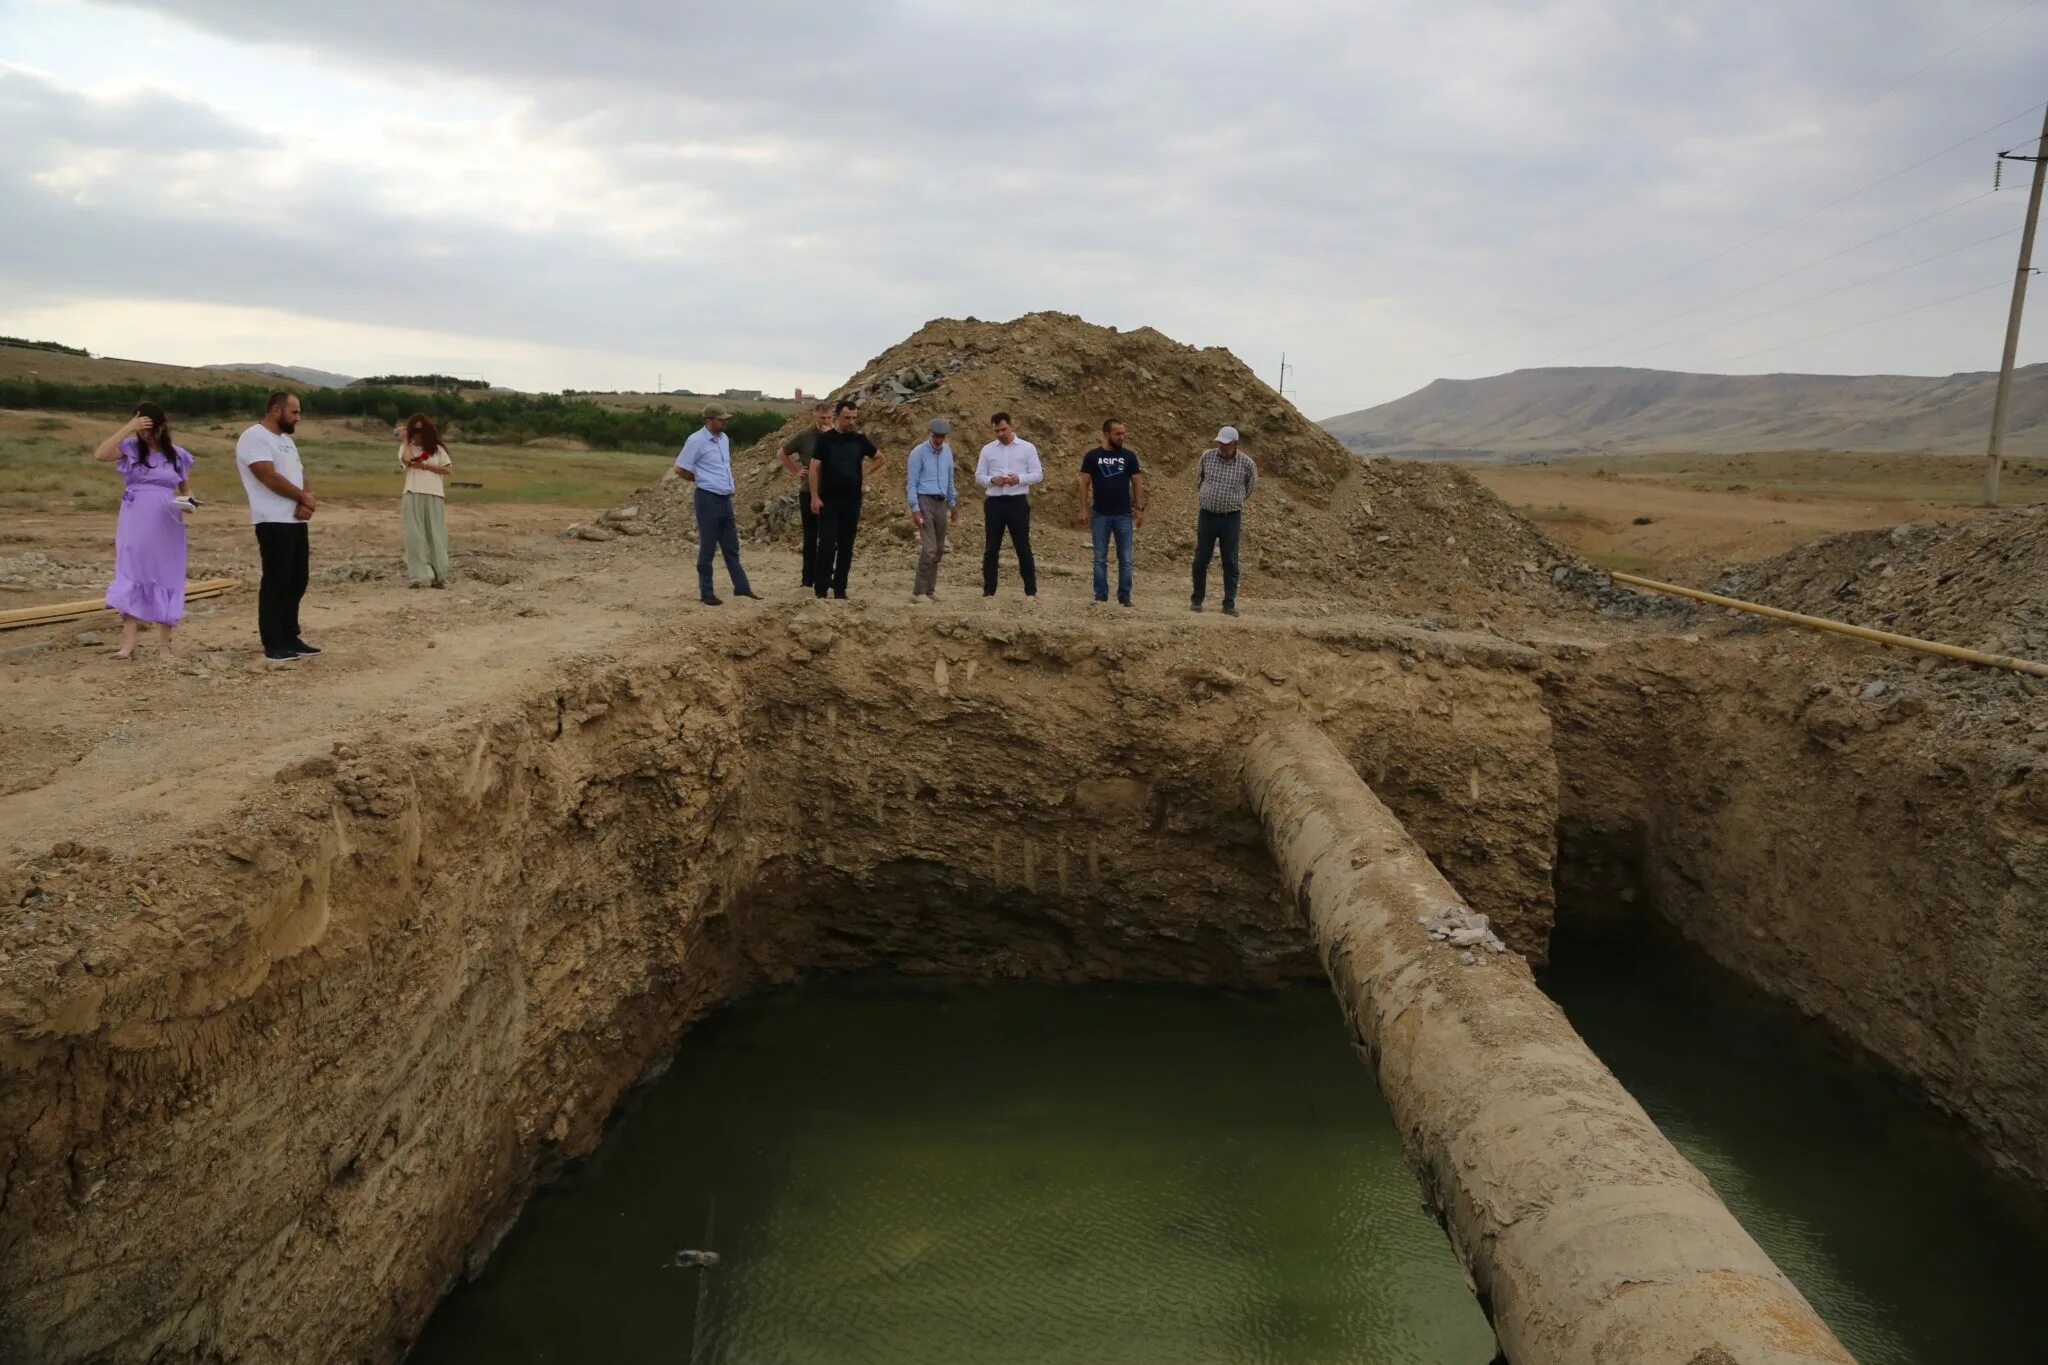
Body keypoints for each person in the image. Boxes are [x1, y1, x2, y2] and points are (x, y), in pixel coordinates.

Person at [93, 402, 193, 658]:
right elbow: (101, 454)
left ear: (161, 427)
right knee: (132, 571)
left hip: (168, 522)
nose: (144, 434)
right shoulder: (131, 449)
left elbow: (186, 490)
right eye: (141, 428)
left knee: (166, 574)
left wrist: (189, 505)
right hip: (136, 518)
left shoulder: (177, 455)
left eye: (149, 428)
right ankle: (128, 644)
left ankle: (164, 646)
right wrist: (128, 427)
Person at [236, 391, 318, 661]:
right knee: (276, 581)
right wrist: (301, 497)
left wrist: (307, 500)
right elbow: (267, 476)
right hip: (272, 519)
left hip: (294, 519)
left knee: (297, 579)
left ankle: (290, 636)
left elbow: (301, 472)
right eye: (294, 412)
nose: (298, 417)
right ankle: (273, 642)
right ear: (275, 410)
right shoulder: (254, 437)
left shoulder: (286, 441)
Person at [674, 403, 760, 606]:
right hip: (707, 498)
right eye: (721, 419)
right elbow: (680, 469)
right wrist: (699, 480)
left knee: (731, 546)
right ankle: (707, 592)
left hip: (725, 498)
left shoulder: (724, 440)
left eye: (725, 419)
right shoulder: (696, 441)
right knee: (708, 547)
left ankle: (742, 588)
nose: (724, 422)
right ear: (708, 420)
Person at [808, 399, 882, 599]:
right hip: (829, 500)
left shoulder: (859, 440)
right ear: (838, 416)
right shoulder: (826, 440)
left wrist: (864, 473)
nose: (851, 422)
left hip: (852, 501)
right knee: (826, 545)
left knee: (846, 546)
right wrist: (814, 496)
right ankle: (821, 589)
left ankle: (840, 589)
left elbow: (879, 458)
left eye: (854, 418)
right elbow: (814, 469)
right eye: (847, 418)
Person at [1076, 418, 1146, 606]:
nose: (1122, 437)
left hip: (1123, 514)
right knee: (1099, 558)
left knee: (1126, 559)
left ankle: (1125, 597)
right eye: (1118, 433)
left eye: (1123, 433)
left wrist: (1139, 509)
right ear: (1106, 434)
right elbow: (1084, 483)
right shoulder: (1092, 456)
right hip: (1100, 514)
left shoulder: (1129, 456)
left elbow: (1138, 482)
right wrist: (1083, 509)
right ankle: (1100, 595)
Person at [1191, 425, 1258, 616]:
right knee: (1201, 559)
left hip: (1231, 518)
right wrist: (1207, 496)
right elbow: (1199, 480)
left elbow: (1250, 486)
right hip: (1207, 515)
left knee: (1230, 560)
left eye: (1226, 443)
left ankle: (1229, 604)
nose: (1222, 446)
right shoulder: (1207, 456)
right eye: (1220, 442)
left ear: (1235, 444)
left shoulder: (1247, 464)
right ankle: (1197, 600)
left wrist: (1233, 501)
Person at [975, 412, 1042, 599]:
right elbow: (979, 477)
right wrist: (992, 480)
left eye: (1003, 429)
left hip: (1017, 502)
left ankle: (1031, 591)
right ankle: (989, 591)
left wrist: (1018, 479)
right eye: (996, 430)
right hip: (994, 502)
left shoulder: (1027, 448)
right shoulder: (987, 450)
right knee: (991, 548)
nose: (1000, 434)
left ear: (1012, 426)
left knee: (1023, 547)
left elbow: (1038, 474)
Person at [777, 401, 834, 588]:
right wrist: (795, 471)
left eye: (829, 417)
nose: (826, 421)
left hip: (831, 492)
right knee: (810, 537)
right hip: (808, 492)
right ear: (815, 416)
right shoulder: (805, 436)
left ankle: (826, 577)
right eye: (822, 418)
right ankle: (807, 579)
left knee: (828, 537)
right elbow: (782, 453)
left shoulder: (836, 435)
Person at [397, 413, 454, 589]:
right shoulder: (406, 448)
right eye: (414, 430)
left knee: (435, 535)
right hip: (412, 492)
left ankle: (440, 575)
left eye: (421, 430)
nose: (417, 434)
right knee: (414, 536)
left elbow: (448, 470)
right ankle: (419, 577)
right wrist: (406, 440)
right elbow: (406, 460)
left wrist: (424, 466)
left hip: (435, 494)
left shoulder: (437, 450)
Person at [905, 417, 958, 602]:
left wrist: (952, 502)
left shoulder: (947, 452)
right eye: (936, 436)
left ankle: (930, 590)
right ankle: (917, 592)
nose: (938, 440)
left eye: (942, 437)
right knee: (929, 548)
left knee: (939, 548)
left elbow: (950, 479)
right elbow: (911, 482)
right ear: (930, 434)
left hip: (941, 503)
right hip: (924, 501)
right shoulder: (918, 453)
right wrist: (915, 508)